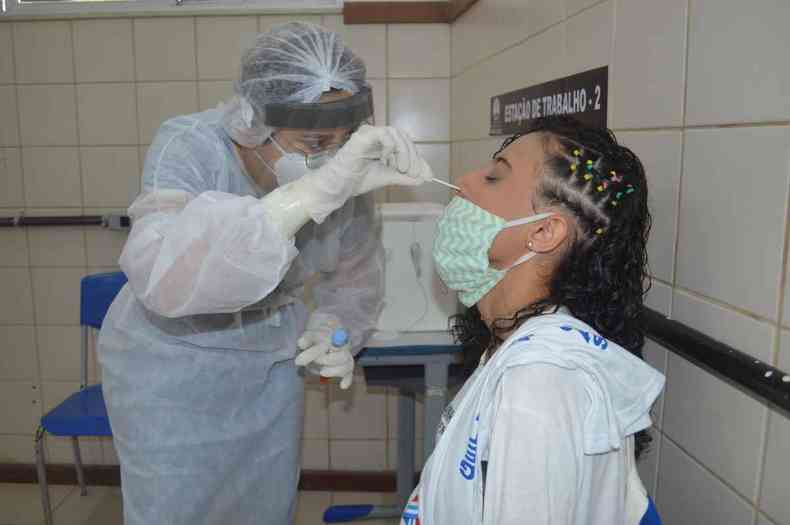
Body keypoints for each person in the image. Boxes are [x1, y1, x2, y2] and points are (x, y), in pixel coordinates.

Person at [97, 22, 432, 525]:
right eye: (314, 140)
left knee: (265, 507)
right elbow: (163, 279)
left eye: (341, 142)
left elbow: (356, 282)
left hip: (270, 368)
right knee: (176, 511)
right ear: (254, 119)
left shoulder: (343, 176)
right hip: (171, 370)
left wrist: (333, 332)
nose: (328, 158)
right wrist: (302, 199)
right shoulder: (192, 146)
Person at [402, 116, 665, 525]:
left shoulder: (538, 382)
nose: (465, 181)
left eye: (493, 177)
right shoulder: (519, 345)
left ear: (544, 232)